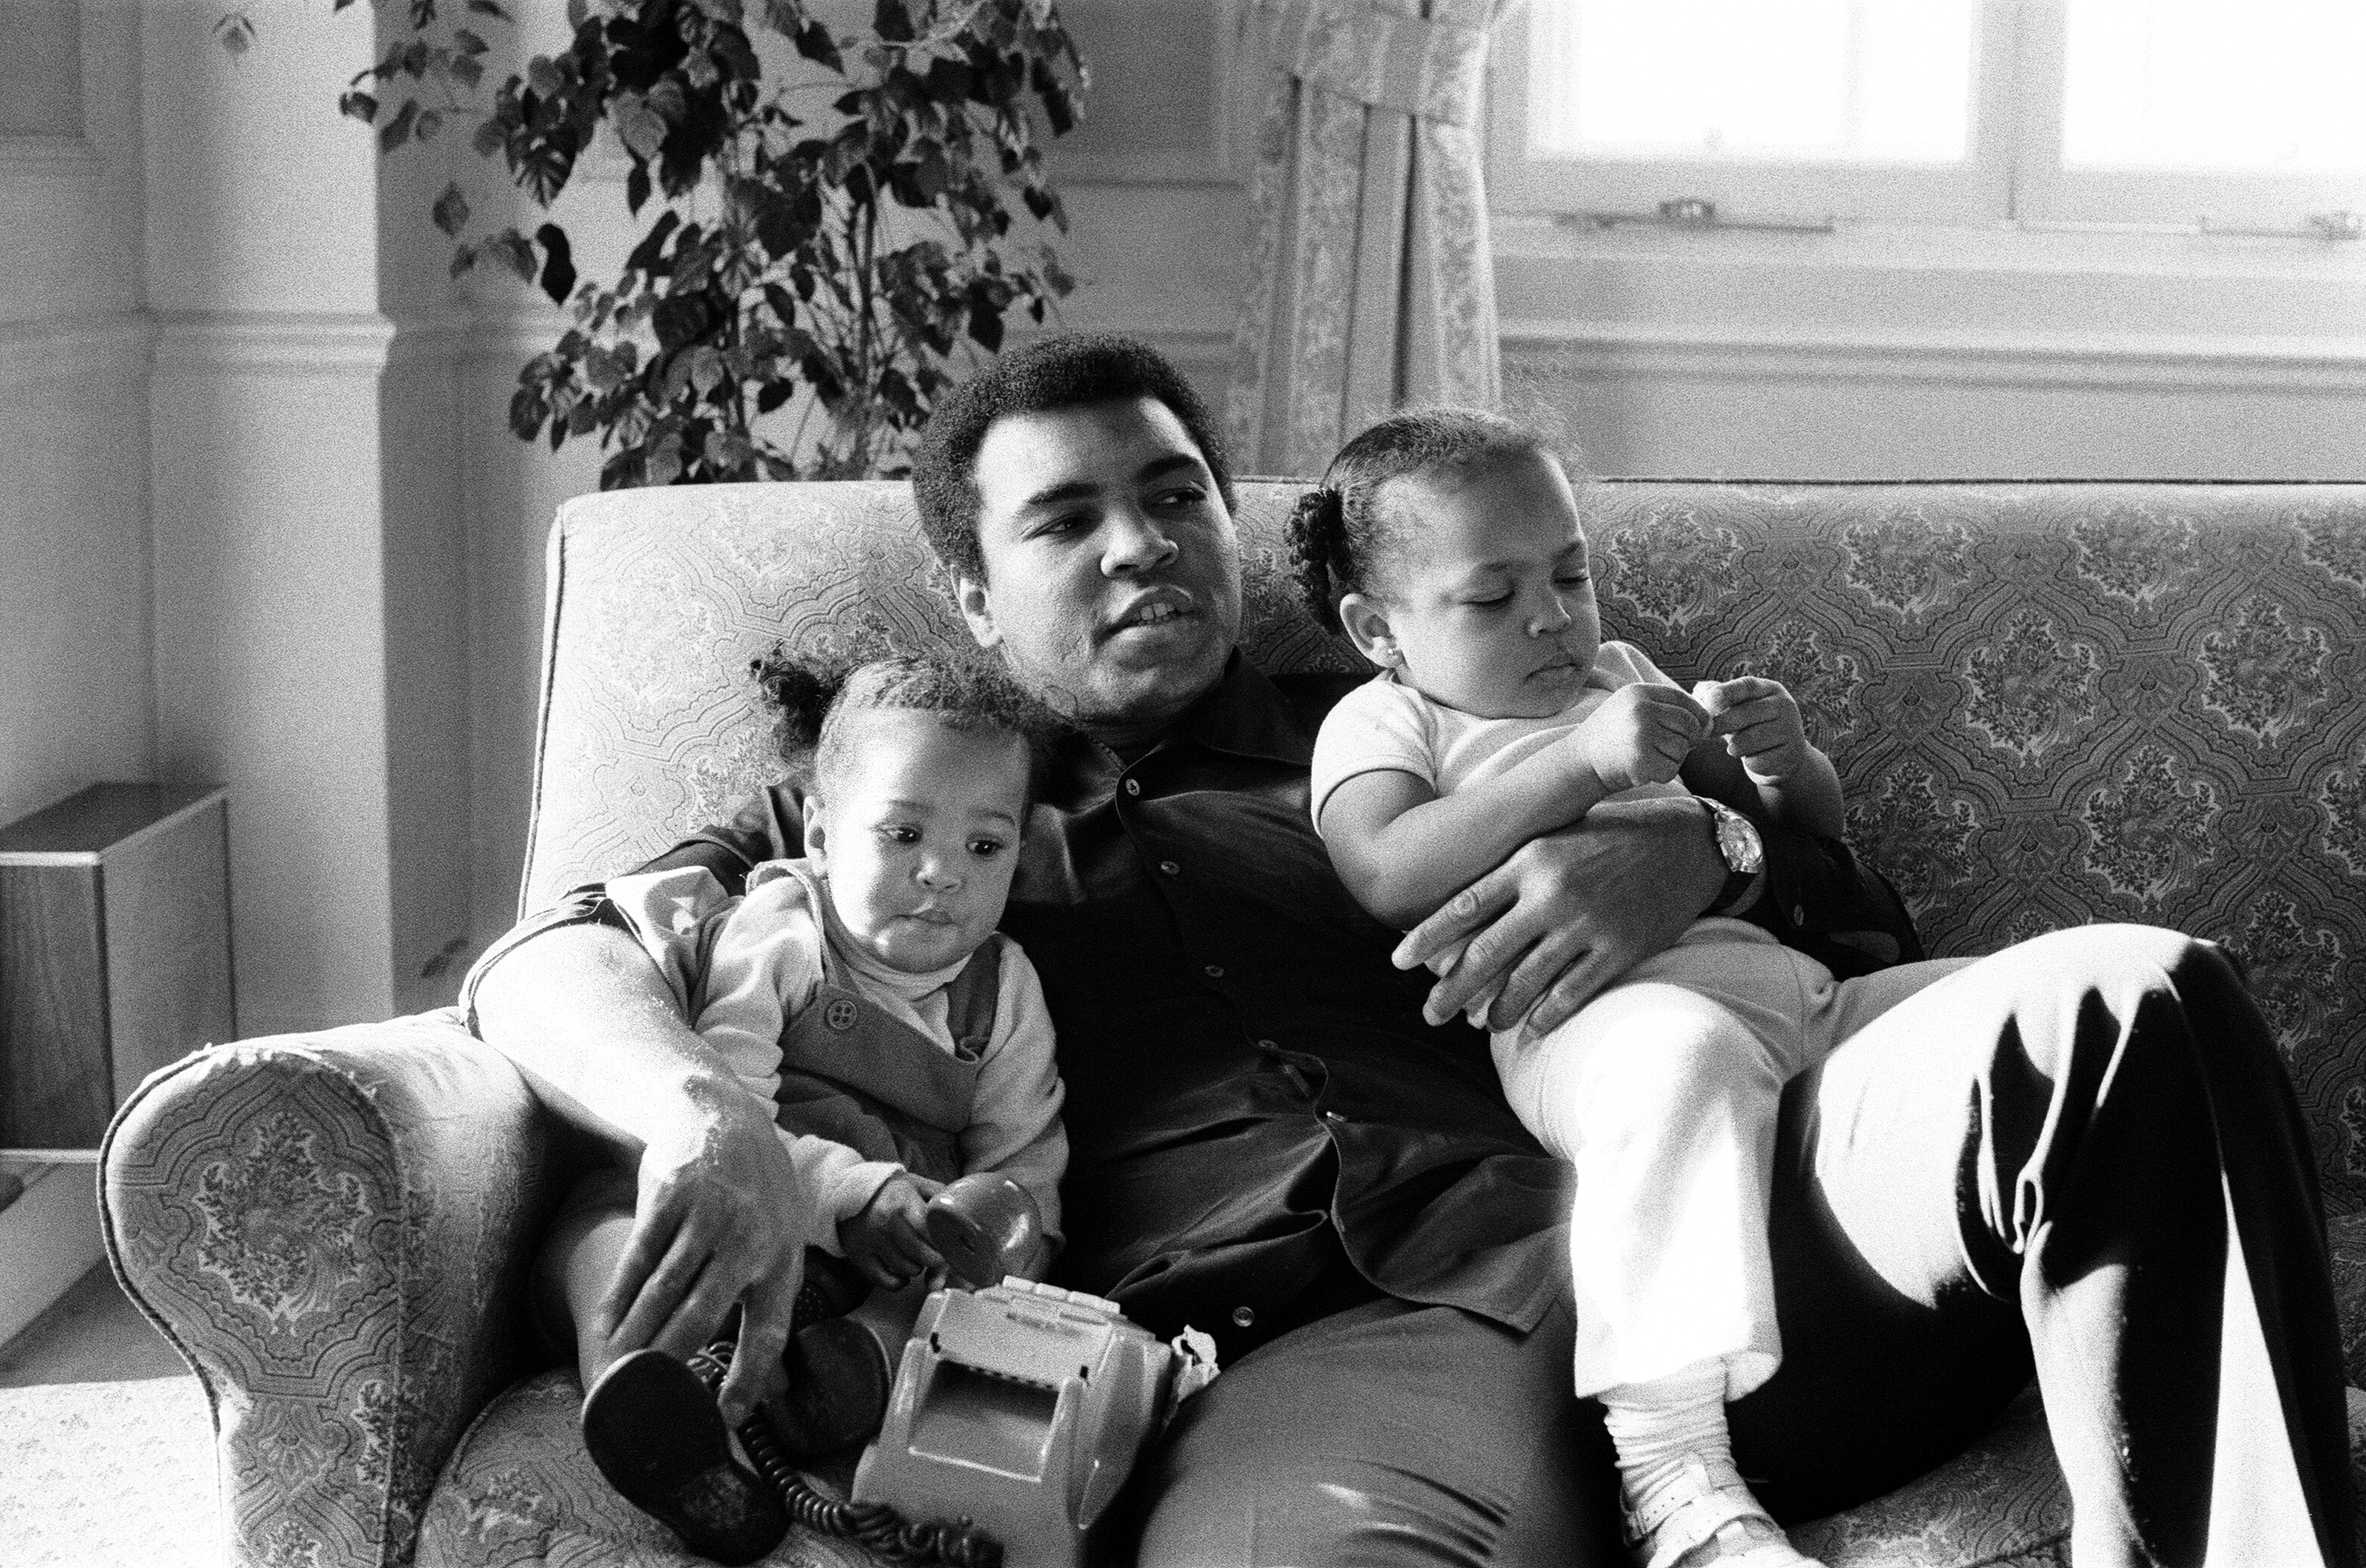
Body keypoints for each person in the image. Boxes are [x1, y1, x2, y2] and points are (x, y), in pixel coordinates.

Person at [467, 331, 2355, 1567]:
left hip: (1725, 1213)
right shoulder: (903, 819)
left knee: (2129, 1005)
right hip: (1337, 1342)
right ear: (973, 587)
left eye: (1172, 494)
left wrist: (1687, 858)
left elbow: (1851, 923)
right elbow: (547, 962)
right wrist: (696, 1110)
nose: (1138, 545)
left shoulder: (1415, 710)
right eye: (1066, 520)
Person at [1293, 407, 1866, 1568]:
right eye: (1491, 596)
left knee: (2063, 999)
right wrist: (1584, 760)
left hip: (1787, 987)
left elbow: (1807, 846)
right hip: (1596, 1021)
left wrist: (1784, 766)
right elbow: (1385, 864)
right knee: (1678, 1062)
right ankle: (1673, 1472)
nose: (1552, 615)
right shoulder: (1388, 717)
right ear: (1376, 628)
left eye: (1570, 573)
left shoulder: (1618, 673)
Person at [536, 648, 1068, 1563]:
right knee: (602, 1230)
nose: (943, 872)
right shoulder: (781, 930)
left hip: (886, 1254)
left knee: (945, 1301)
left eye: (985, 846)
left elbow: (1027, 1161)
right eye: (904, 835)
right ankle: (654, 1399)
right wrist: (849, 1192)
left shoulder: (1005, 989)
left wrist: (986, 1241)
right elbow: (729, 1110)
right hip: (734, 1215)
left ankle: (854, 1372)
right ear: (820, 836)